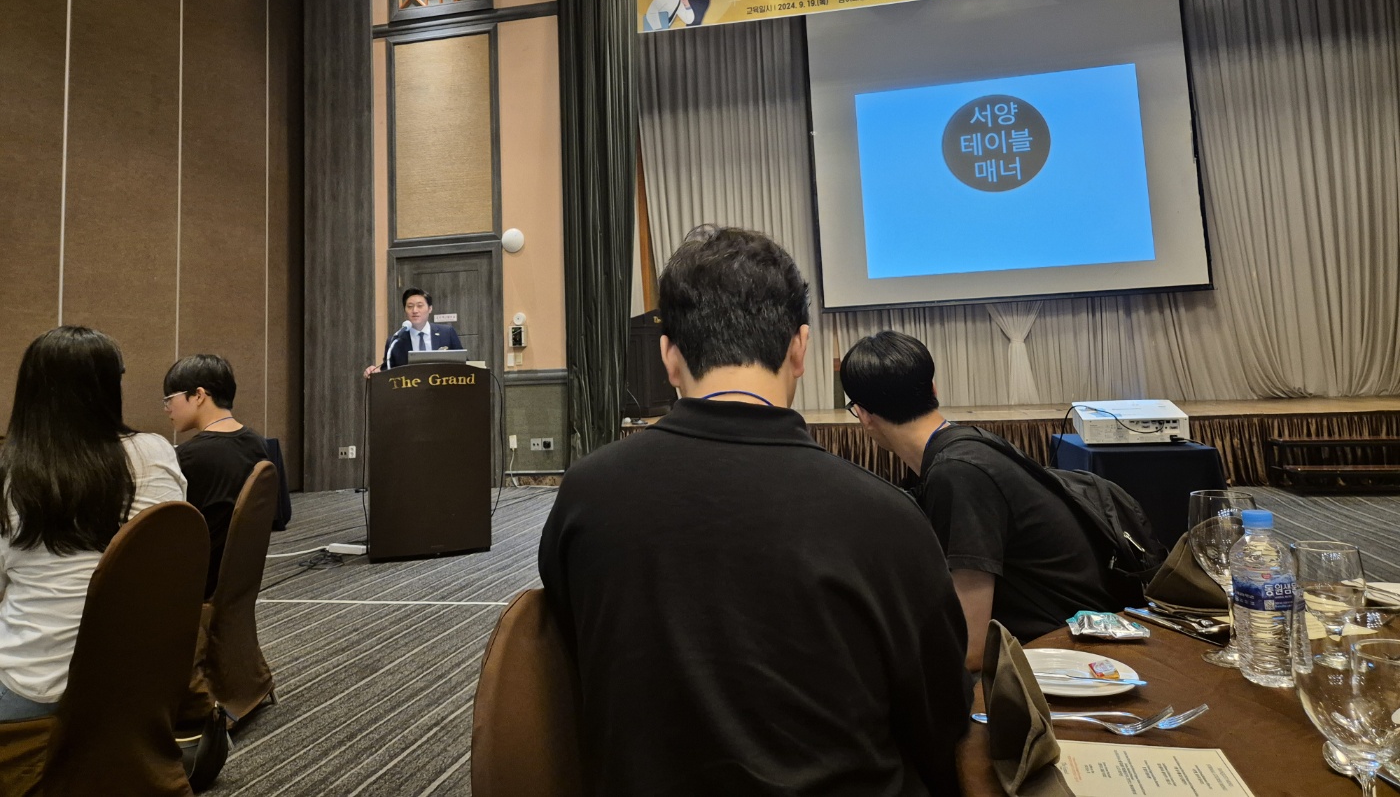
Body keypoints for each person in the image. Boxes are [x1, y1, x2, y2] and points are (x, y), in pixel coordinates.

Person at [539, 227, 971, 797]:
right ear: (799, 349)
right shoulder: (887, 518)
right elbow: (941, 721)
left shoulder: (587, 492)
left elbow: (567, 663)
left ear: (669, 355)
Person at [842, 330, 1117, 669]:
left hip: (1067, 659)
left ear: (863, 415)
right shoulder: (967, 447)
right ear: (933, 390)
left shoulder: (957, 473)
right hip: (1064, 642)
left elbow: (971, 648)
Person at [0, 326, 186, 721]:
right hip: (143, 680)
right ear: (110, 387)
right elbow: (173, 561)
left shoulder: (11, 476)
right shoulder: (155, 452)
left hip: (31, 688)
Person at [163, 354, 270, 599]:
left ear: (199, 395)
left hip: (197, 584)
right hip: (237, 580)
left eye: (170, 399)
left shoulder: (189, 457)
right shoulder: (258, 444)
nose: (167, 408)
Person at [363, 287, 464, 377]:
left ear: (430, 308)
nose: (415, 310)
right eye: (410, 306)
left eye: (420, 306)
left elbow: (463, 364)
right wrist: (375, 372)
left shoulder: (447, 333)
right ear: (405, 310)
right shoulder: (395, 341)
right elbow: (388, 370)